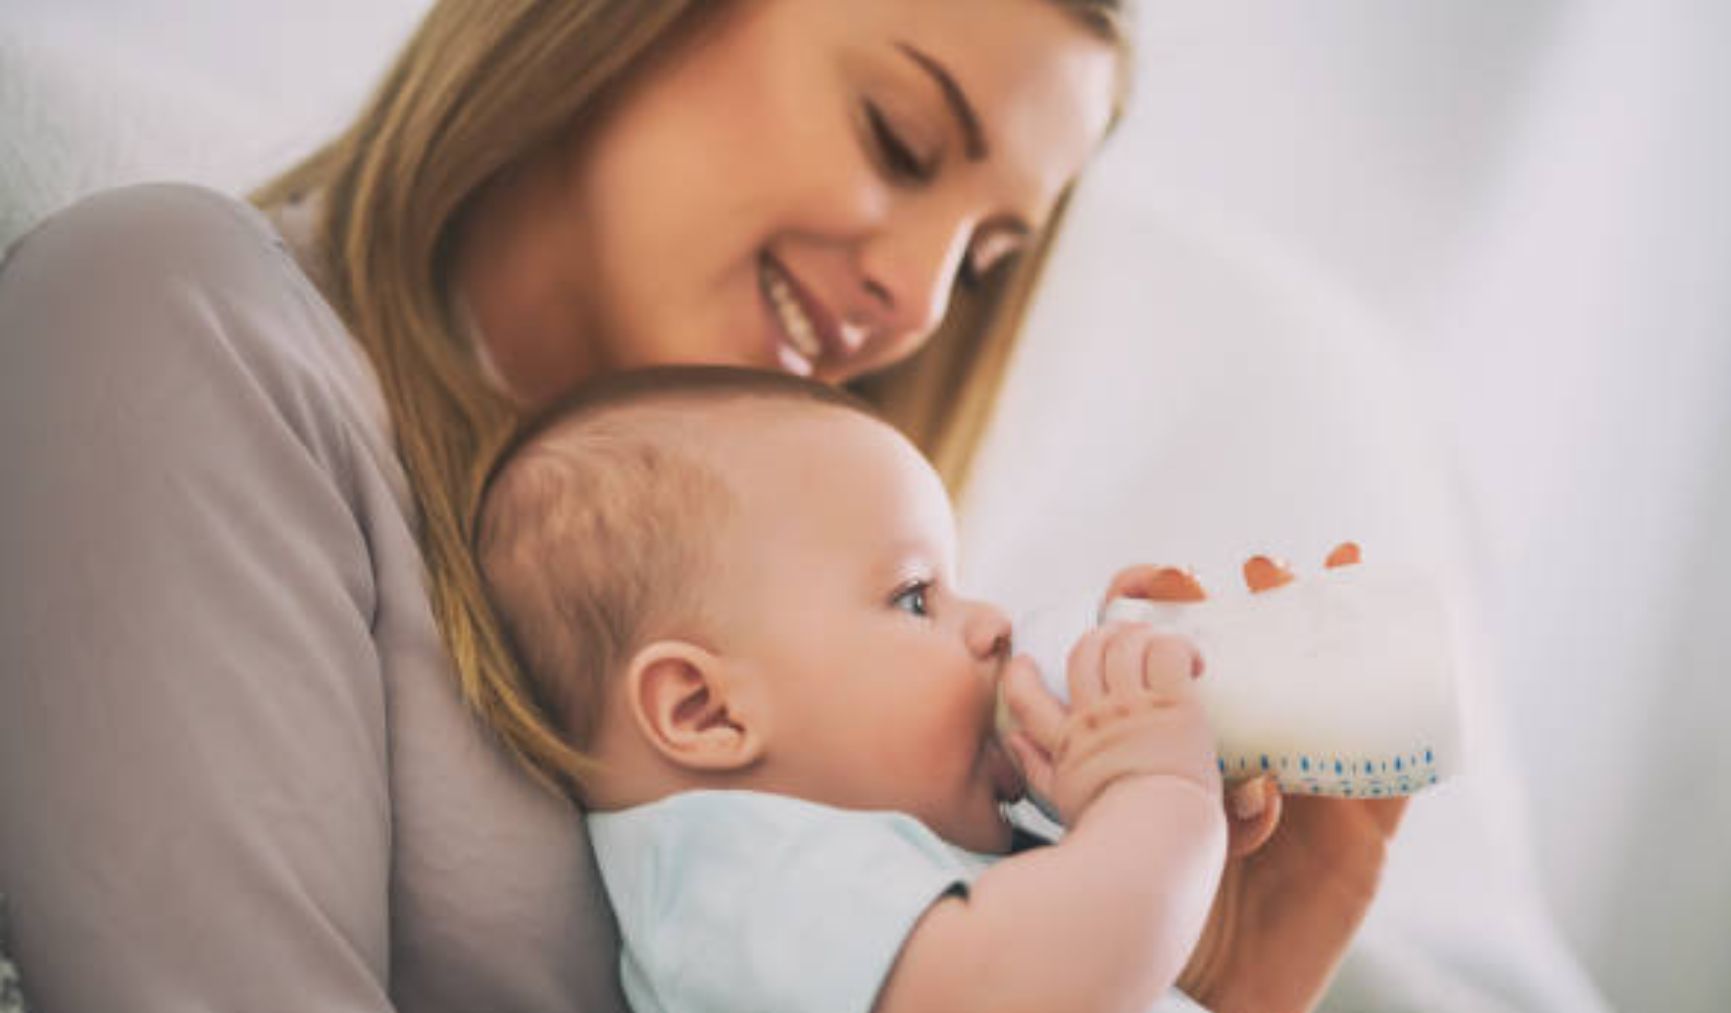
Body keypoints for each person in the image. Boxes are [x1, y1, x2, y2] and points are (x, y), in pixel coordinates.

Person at [0, 1, 1400, 1011]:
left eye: (985, 258)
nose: (917, 302)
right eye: (899, 137)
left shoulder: (811, 626)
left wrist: (1206, 960)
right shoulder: (173, 318)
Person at [476, 365, 1228, 1013]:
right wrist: (1159, 798)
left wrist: (1111, 773)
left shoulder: (863, 864)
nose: (995, 622)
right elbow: (1014, 993)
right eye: (914, 597)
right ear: (704, 711)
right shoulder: (733, 871)